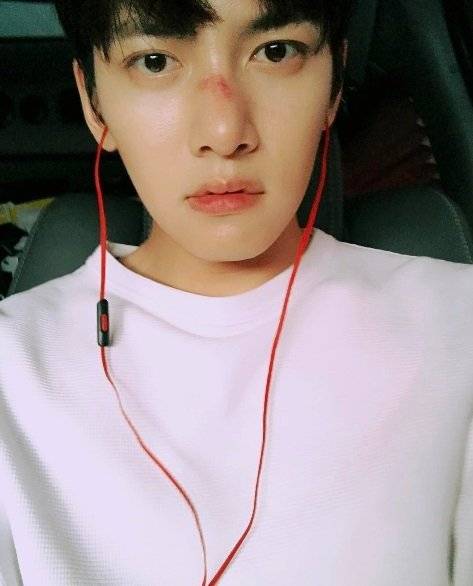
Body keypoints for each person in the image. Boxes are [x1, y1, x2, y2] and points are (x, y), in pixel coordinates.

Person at [0, 0, 472, 584]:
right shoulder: (12, 368)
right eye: (154, 61)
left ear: (333, 87)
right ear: (93, 103)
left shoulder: (457, 326)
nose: (224, 133)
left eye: (275, 52)